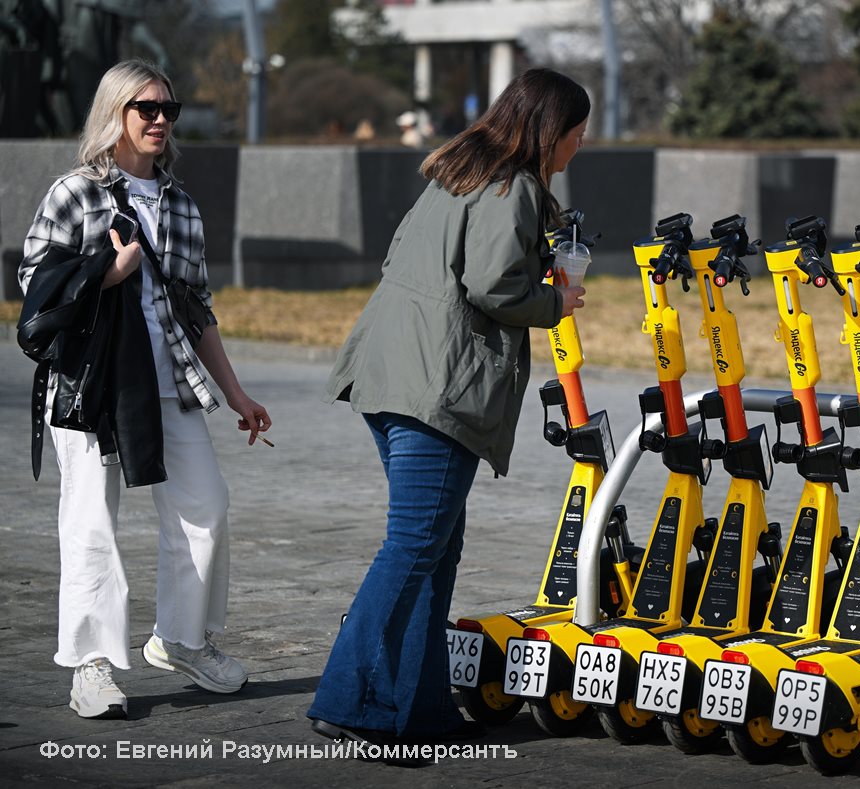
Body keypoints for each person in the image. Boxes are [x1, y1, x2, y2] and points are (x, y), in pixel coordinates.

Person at [307, 67, 589, 758]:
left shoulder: (458, 172)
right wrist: (558, 302)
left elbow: (416, 260)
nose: (580, 146)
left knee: (434, 548)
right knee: (411, 546)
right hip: (438, 391)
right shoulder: (514, 186)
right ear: (553, 131)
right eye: (578, 133)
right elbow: (493, 285)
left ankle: (420, 708)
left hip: (387, 374)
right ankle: (352, 703)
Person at [19, 58, 271, 720]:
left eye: (169, 109)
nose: (160, 119)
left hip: (171, 385)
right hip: (92, 383)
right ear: (115, 113)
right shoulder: (76, 192)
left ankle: (182, 638)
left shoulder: (181, 204)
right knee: (91, 522)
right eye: (146, 108)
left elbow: (198, 309)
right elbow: (32, 280)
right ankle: (91, 663)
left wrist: (238, 394)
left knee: (206, 508)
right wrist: (109, 270)